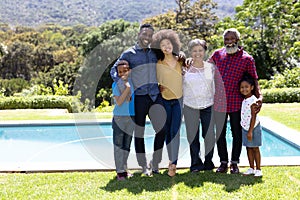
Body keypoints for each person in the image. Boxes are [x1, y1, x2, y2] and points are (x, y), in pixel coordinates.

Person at [110, 24, 166, 176]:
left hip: (155, 96)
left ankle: (155, 162)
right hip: (139, 98)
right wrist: (122, 85)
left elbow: (170, 59)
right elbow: (114, 70)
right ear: (139, 34)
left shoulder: (156, 53)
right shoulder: (129, 53)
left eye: (150, 35)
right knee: (139, 133)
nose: (147, 38)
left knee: (162, 129)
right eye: (144, 34)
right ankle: (144, 166)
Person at [209, 28, 263, 174]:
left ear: (237, 40)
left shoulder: (247, 59)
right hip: (218, 102)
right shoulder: (217, 55)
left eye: (232, 39)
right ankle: (223, 162)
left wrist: (260, 98)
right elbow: (204, 69)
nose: (229, 41)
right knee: (219, 134)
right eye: (226, 39)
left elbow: (254, 80)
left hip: (236, 102)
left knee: (236, 134)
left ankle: (234, 163)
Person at [151, 29, 183, 176]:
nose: (166, 47)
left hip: (178, 101)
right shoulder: (158, 63)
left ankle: (173, 163)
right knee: (167, 132)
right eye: (162, 45)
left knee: (175, 132)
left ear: (173, 44)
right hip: (164, 101)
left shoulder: (181, 60)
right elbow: (155, 81)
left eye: (168, 43)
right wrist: (158, 87)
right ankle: (167, 160)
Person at [183, 39, 215, 172]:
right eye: (194, 50)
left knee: (209, 136)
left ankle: (208, 162)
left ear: (205, 51)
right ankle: (195, 163)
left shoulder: (211, 67)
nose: (197, 53)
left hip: (208, 105)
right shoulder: (185, 67)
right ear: (190, 52)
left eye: (200, 50)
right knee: (193, 136)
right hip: (190, 106)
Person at [112, 60, 135, 181]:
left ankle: (125, 169)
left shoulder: (133, 82)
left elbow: (131, 99)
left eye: (125, 71)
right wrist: (127, 88)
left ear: (129, 70)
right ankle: (120, 172)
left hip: (131, 117)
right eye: (120, 72)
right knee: (119, 145)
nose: (122, 74)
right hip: (119, 118)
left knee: (127, 145)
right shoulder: (116, 85)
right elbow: (120, 102)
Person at [239, 73, 263, 177]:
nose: (244, 89)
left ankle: (258, 169)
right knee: (248, 148)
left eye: (246, 87)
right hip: (245, 127)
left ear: (252, 87)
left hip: (253, 128)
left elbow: (253, 117)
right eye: (242, 87)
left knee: (255, 148)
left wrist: (250, 131)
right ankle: (251, 168)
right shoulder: (244, 100)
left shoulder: (253, 100)